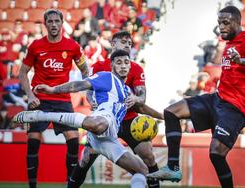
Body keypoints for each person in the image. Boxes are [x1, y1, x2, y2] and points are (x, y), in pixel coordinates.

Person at [147, 5, 245, 188]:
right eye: (220, 23)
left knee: (216, 154)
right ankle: (172, 167)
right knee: (171, 112)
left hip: (236, 108)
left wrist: (241, 60)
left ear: (237, 22)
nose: (222, 27)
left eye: (226, 22)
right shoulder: (228, 44)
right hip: (218, 99)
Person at [13, 50, 148, 188]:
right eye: (119, 62)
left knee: (142, 170)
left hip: (109, 138)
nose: (123, 66)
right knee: (99, 124)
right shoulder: (106, 77)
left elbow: (143, 108)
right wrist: (52, 90)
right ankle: (41, 115)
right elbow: (78, 85)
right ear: (111, 64)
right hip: (102, 120)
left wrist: (163, 115)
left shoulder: (127, 91)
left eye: (126, 62)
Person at [70, 30, 161, 188]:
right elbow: (89, 92)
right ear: (113, 44)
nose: (127, 45)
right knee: (85, 159)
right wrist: (93, 101)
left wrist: (136, 98)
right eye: (124, 42)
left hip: (129, 120)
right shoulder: (98, 66)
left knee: (149, 157)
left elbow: (142, 97)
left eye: (130, 43)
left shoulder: (136, 68)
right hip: (106, 119)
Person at [18, 9, 89, 188]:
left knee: (73, 141)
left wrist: (84, 91)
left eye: (57, 21)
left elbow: (85, 71)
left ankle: (70, 184)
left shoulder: (72, 46)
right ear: (46, 24)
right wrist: (30, 95)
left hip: (63, 101)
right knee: (33, 141)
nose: (54, 24)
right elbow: (22, 73)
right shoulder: (35, 46)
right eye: (50, 21)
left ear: (62, 23)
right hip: (39, 100)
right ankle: (32, 186)